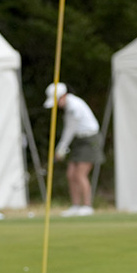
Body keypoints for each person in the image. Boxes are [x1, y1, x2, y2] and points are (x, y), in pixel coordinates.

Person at [44, 82, 101, 216]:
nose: (57, 104)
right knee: (71, 174)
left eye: (57, 100)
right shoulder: (69, 106)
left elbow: (70, 129)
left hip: (89, 140)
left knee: (80, 174)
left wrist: (61, 149)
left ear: (63, 96)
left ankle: (87, 207)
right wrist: (62, 148)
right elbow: (69, 130)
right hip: (79, 140)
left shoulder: (74, 106)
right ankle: (75, 206)